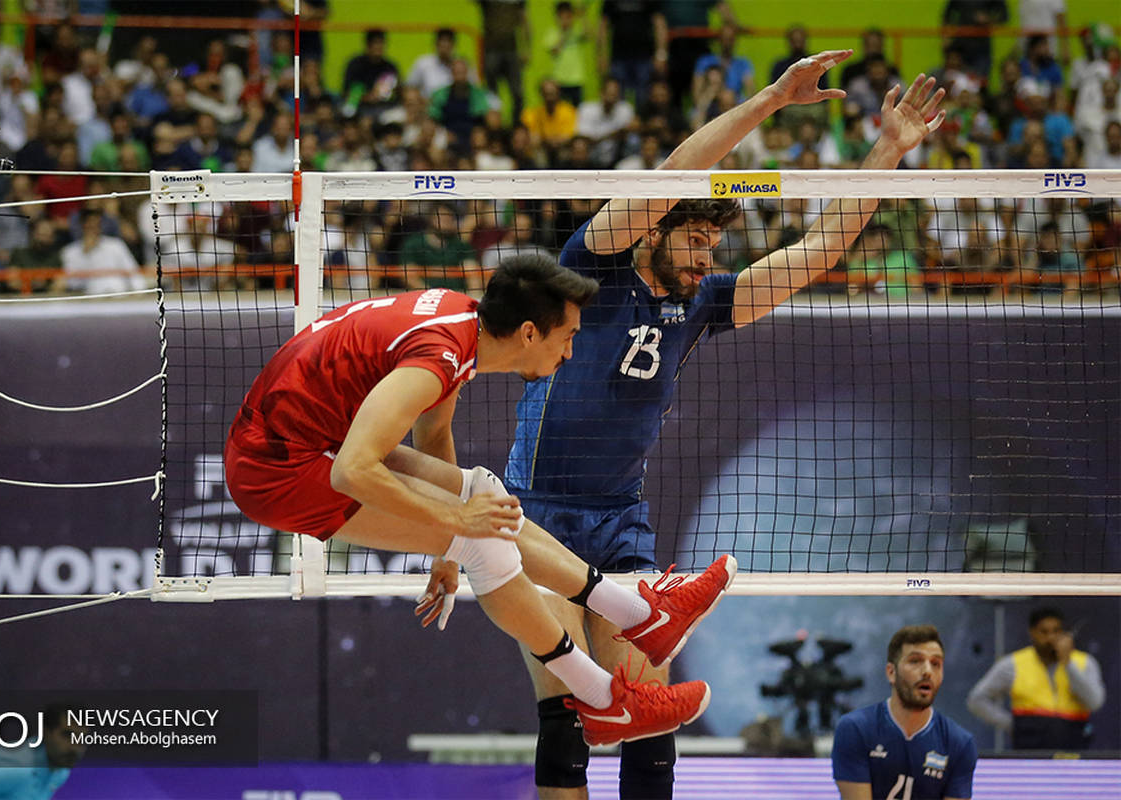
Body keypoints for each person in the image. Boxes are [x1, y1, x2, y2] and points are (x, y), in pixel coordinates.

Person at [466, 52, 945, 799]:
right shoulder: (591, 269)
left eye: (712, 246)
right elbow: (673, 178)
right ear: (653, 233)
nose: (705, 256)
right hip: (540, 517)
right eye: (693, 239)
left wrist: (886, 150)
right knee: (567, 718)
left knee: (649, 720)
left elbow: (817, 254)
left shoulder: (703, 303)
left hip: (619, 523)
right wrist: (770, 100)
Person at [224, 257, 737, 748]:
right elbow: (353, 471)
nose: (570, 354)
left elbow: (433, 434)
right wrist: (455, 522)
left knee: (487, 496)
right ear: (529, 333)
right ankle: (605, 700)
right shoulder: (439, 356)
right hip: (276, 468)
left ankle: (646, 617)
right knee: (483, 540)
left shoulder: (462, 325)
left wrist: (446, 548)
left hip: (312, 437)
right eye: (568, 337)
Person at [832, 625, 978, 800]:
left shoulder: (959, 743)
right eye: (915, 661)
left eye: (936, 664)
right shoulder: (855, 729)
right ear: (891, 673)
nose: (927, 671)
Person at [966, 606, 1106, 750]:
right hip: (1029, 749)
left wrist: (1068, 664)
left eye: (1056, 631)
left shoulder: (1084, 662)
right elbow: (977, 699)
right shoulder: (1013, 664)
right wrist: (1012, 725)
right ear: (1032, 633)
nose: (1051, 638)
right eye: (1044, 632)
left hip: (1073, 748)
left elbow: (1095, 702)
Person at [0, 705, 86, 800]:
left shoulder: (61, 770)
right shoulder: (15, 767)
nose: (75, 747)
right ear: (46, 732)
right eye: (67, 735)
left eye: (81, 739)